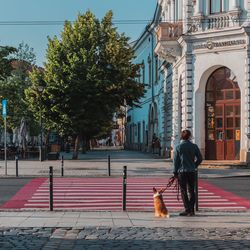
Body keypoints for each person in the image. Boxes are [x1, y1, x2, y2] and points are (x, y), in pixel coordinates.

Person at [173, 129, 202, 216]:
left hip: (182, 172)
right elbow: (200, 158)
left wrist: (175, 172)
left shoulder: (178, 147)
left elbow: (176, 161)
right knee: (192, 190)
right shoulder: (194, 146)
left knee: (183, 191)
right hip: (191, 171)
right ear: (189, 137)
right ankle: (191, 210)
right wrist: (194, 165)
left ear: (182, 137)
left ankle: (187, 209)